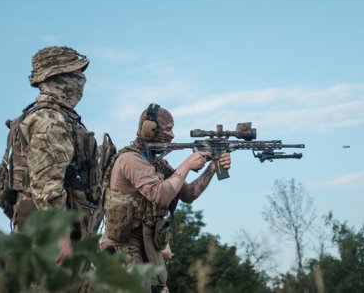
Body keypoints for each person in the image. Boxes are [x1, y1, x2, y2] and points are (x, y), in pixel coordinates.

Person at [100, 103, 231, 293]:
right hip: (123, 251)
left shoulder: (156, 162)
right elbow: (160, 196)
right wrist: (186, 165)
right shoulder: (131, 159)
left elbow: (187, 194)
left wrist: (211, 170)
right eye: (168, 128)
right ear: (148, 130)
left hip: (149, 250)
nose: (172, 135)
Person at [13, 46, 101, 263]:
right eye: (75, 74)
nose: (82, 80)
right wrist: (61, 238)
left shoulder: (49, 116)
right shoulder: (50, 120)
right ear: (57, 78)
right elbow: (46, 182)